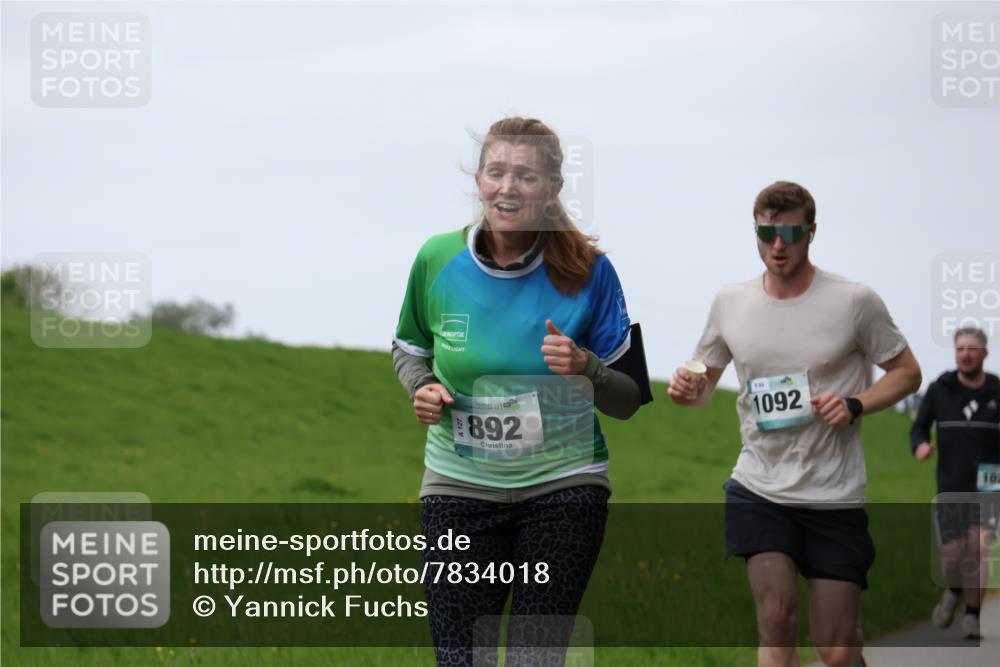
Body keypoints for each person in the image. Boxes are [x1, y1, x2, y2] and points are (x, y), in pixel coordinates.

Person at [392, 116, 649, 667]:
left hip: (562, 489)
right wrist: (425, 386)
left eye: (526, 177)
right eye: (497, 172)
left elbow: (629, 399)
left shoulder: (591, 273)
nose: (508, 188)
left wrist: (587, 367)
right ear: (479, 179)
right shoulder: (436, 259)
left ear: (552, 189)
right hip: (457, 489)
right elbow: (410, 348)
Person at [667, 181, 921, 667]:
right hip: (759, 487)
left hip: (833, 495)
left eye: (790, 233)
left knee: (835, 647)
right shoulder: (730, 301)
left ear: (811, 232)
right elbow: (702, 383)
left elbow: (908, 373)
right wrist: (686, 391)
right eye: (767, 233)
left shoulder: (854, 301)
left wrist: (855, 405)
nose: (778, 245)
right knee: (776, 619)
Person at [910, 326, 999, 639]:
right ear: (955, 352)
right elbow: (919, 427)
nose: (966, 354)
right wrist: (920, 445)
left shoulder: (997, 391)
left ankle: (972, 616)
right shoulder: (939, 390)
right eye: (960, 348)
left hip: (990, 486)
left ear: (984, 353)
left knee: (978, 548)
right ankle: (953, 588)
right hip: (951, 484)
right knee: (952, 555)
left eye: (972, 348)